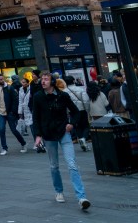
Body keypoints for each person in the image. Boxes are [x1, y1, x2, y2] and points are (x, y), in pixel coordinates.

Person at [32, 71, 91, 210]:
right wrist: (38, 135)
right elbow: (36, 117)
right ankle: (59, 191)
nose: (43, 81)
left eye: (46, 79)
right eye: (42, 79)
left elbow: (76, 112)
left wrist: (72, 124)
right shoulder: (38, 96)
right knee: (54, 165)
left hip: (63, 132)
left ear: (52, 82)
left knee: (72, 164)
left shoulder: (63, 96)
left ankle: (81, 197)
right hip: (48, 134)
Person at [0, 73, 27, 154]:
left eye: (2, 79)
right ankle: (4, 148)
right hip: (0, 113)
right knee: (2, 130)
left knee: (14, 130)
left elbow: (15, 100)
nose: (2, 80)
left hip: (9, 112)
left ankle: (23, 143)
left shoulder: (9, 88)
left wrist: (13, 111)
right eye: (0, 79)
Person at [64, 77, 91, 151]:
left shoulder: (64, 91)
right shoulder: (80, 89)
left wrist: (67, 112)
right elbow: (85, 100)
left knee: (77, 126)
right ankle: (84, 138)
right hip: (81, 109)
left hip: (72, 111)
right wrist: (87, 109)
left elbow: (64, 104)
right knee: (85, 125)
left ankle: (81, 139)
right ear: (73, 81)